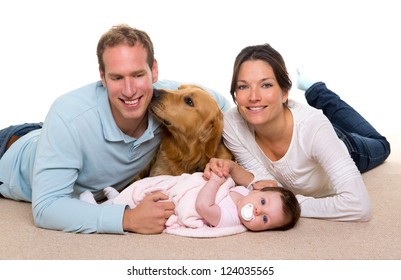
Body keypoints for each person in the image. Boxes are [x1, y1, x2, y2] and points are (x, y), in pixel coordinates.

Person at [0, 24, 230, 234]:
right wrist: (126, 218)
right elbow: (46, 208)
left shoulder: (162, 97)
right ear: (102, 77)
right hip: (11, 150)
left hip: (51, 133)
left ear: (154, 70)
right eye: (117, 77)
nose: (130, 90)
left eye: (138, 75)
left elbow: (220, 107)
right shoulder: (67, 115)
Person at [205, 43, 391, 222]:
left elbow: (359, 206)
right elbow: (264, 183)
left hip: (342, 144)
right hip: (307, 130)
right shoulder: (231, 124)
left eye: (266, 85)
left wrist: (291, 204)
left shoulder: (314, 128)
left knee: (382, 144)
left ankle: (316, 90)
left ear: (285, 92)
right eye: (243, 86)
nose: (254, 97)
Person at [80, 171, 301, 232]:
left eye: (264, 219)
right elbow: (250, 183)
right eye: (262, 201)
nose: (256, 211)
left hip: (186, 198)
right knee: (151, 184)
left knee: (148, 197)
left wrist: (215, 182)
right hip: (184, 184)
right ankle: (118, 198)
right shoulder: (245, 192)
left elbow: (203, 206)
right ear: (258, 191)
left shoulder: (230, 218)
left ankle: (97, 208)